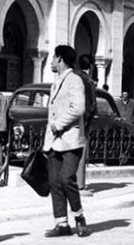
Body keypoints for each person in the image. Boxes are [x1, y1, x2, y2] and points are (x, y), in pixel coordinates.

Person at [42, 45, 91, 238]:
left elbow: (78, 108)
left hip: (71, 139)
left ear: (60, 59)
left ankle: (79, 217)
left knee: (66, 178)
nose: (52, 61)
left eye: (54, 57)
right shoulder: (57, 81)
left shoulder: (74, 80)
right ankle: (61, 223)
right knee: (54, 181)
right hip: (54, 141)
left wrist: (58, 125)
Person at [74, 54, 97, 197]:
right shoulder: (88, 81)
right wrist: (88, 118)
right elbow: (91, 104)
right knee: (81, 153)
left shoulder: (74, 77)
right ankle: (79, 185)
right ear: (91, 66)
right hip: (82, 120)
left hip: (72, 119)